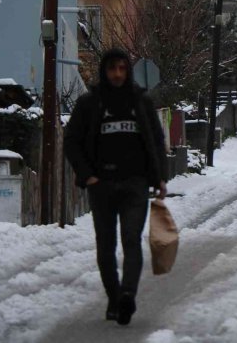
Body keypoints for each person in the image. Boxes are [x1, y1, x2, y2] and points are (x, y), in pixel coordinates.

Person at [64, 48, 168, 326]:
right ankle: (114, 298)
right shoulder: (90, 103)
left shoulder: (141, 102)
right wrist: (88, 176)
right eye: (113, 69)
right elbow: (71, 141)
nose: (118, 74)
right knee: (106, 245)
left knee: (132, 240)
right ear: (105, 71)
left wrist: (160, 177)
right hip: (102, 186)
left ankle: (127, 295)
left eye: (123, 68)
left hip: (136, 184)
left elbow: (157, 140)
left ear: (128, 70)